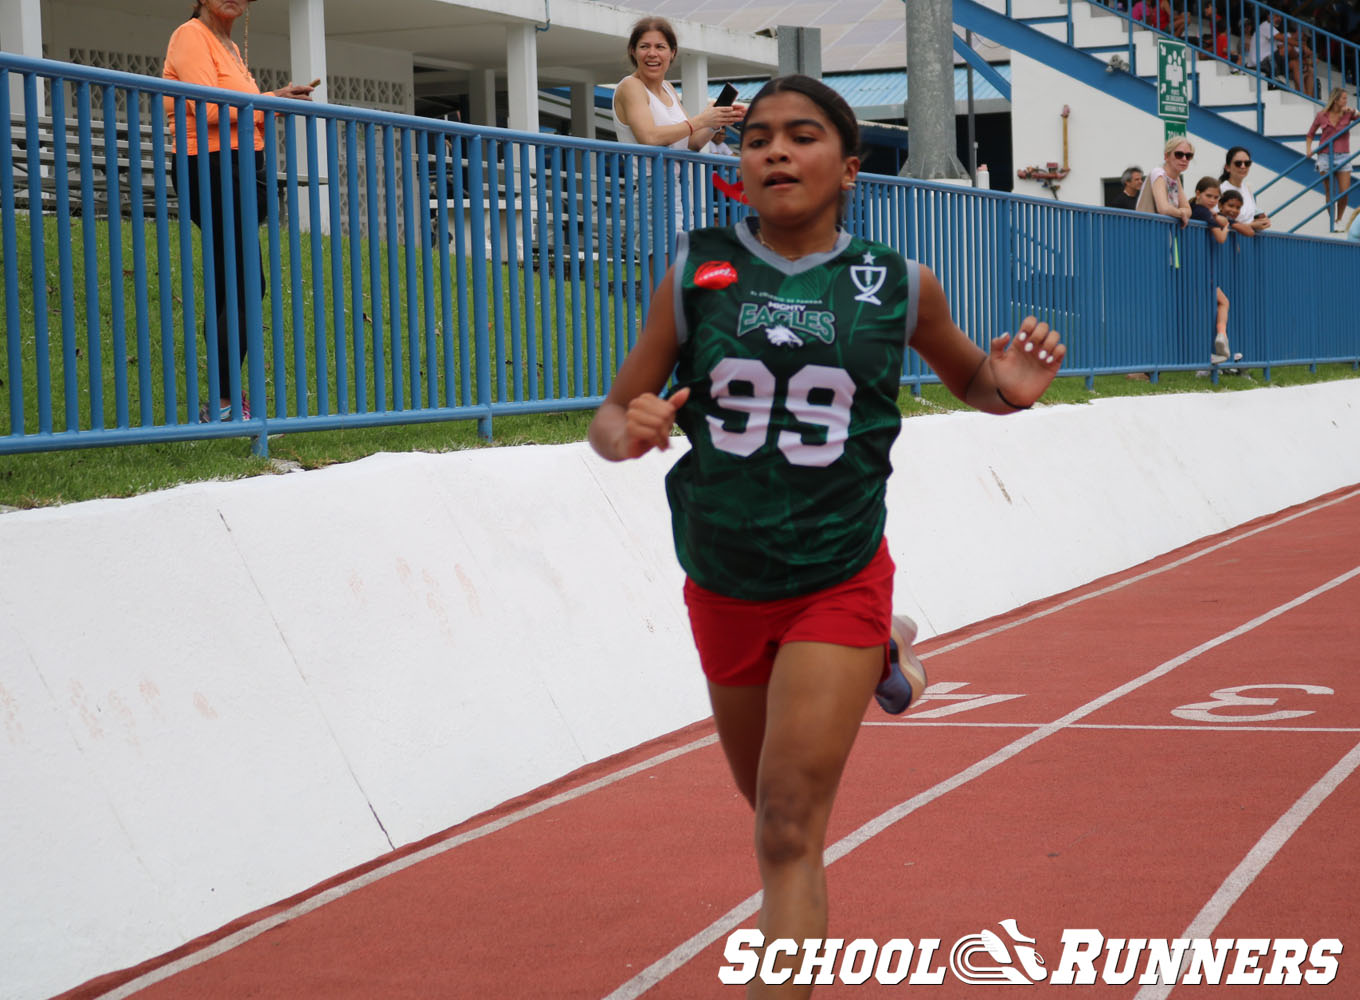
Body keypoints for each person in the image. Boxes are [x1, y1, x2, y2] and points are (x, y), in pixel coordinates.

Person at [588, 74, 1064, 996]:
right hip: (722, 579)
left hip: (834, 574)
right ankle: (891, 651)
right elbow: (612, 415)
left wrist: (1006, 385)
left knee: (787, 829)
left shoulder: (898, 283)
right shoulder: (695, 272)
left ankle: (869, 634)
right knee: (761, 802)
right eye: (756, 136)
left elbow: (976, 382)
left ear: (848, 168)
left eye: (800, 136)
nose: (772, 149)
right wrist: (630, 431)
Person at [163, 0, 314, 421]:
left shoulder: (228, 44)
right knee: (247, 282)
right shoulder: (190, 35)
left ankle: (224, 399)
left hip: (240, 164)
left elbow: (241, 108)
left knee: (234, 282)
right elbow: (208, 107)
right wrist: (270, 98)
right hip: (210, 163)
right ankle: (225, 400)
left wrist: (276, 101)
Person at [612, 17, 745, 252]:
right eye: (645, 46)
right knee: (664, 272)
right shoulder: (630, 86)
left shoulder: (669, 89)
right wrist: (700, 120)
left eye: (660, 47)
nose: (652, 54)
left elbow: (691, 142)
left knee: (680, 269)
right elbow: (649, 137)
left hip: (680, 187)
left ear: (672, 53)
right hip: (651, 187)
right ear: (633, 51)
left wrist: (716, 120)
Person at [1189, 177, 1242, 366]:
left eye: (1215, 197)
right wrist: (1226, 226)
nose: (1212, 200)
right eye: (1208, 195)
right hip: (1201, 270)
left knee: (1215, 303)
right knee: (1222, 302)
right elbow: (1220, 238)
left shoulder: (1197, 210)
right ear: (1198, 194)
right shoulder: (1202, 212)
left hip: (1196, 268)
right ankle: (1221, 335)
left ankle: (1219, 339)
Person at [1306, 88, 1360, 230]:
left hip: (1343, 156)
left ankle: (1339, 219)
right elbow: (1310, 134)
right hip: (1324, 155)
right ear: (1335, 100)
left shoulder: (1348, 114)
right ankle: (1332, 221)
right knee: (1330, 191)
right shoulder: (1322, 115)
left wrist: (1354, 110)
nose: (1345, 101)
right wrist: (1309, 150)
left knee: (1344, 191)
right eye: (1343, 98)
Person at [1136, 136, 1194, 225]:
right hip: (1146, 230)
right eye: (1179, 154)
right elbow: (1163, 208)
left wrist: (1179, 212)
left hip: (1161, 230)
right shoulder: (1158, 173)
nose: (1184, 159)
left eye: (1188, 156)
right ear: (1166, 156)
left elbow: (1188, 210)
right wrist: (1182, 213)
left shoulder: (1176, 179)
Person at [1219, 146, 1272, 233]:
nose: (1243, 166)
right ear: (1227, 167)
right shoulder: (1221, 189)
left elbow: (1251, 216)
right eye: (1238, 163)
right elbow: (1220, 222)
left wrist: (1262, 221)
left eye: (1247, 163)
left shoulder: (1247, 189)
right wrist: (1251, 226)